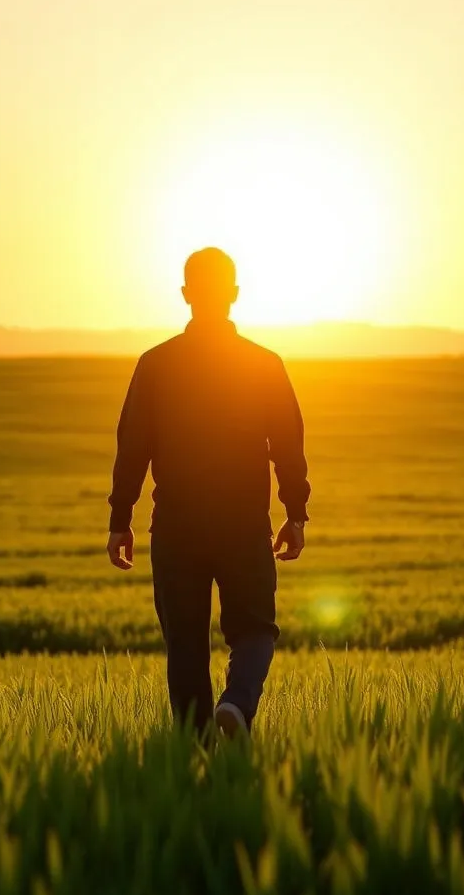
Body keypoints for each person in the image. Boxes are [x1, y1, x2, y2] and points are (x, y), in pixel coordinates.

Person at [106, 247, 311, 738]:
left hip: (176, 526)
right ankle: (237, 704)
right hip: (243, 523)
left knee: (185, 642)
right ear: (235, 295)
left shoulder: (155, 364)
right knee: (256, 627)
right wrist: (296, 513)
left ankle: (194, 755)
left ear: (185, 295)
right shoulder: (264, 363)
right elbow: (288, 442)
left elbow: (133, 445)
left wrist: (120, 520)